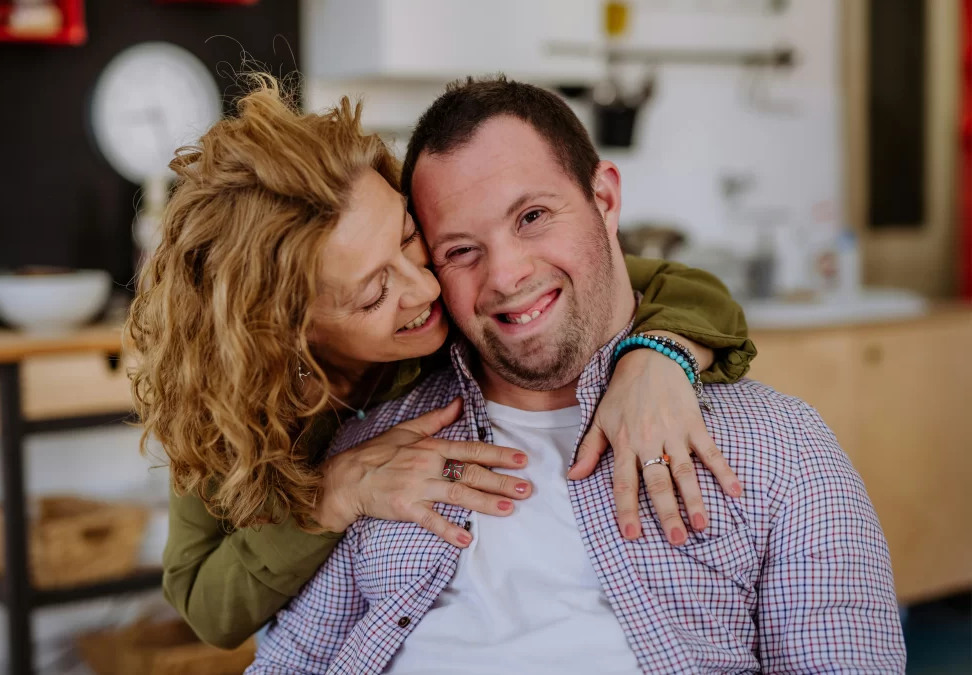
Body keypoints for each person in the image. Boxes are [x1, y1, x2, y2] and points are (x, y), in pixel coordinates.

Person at [246, 77, 906, 674]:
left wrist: (664, 352)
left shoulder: (780, 451)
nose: (504, 275)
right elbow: (286, 662)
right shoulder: (379, 451)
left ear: (606, 198)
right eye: (460, 250)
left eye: (532, 217)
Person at [126, 76, 755, 650]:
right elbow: (205, 607)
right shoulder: (230, 402)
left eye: (407, 235)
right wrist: (332, 496)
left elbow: (677, 284)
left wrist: (660, 356)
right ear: (286, 333)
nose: (424, 290)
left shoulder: (460, 290)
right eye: (374, 292)